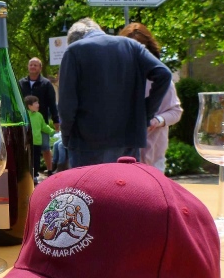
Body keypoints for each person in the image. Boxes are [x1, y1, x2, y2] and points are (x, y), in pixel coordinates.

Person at [58, 18, 172, 168]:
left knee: (91, 184)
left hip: (87, 143)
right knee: (124, 183)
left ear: (73, 39)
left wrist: (66, 137)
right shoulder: (131, 46)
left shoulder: (74, 51)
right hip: (128, 140)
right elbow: (164, 74)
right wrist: (146, 114)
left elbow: (67, 104)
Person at [119, 23, 183, 172]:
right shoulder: (117, 79)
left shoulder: (162, 80)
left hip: (152, 157)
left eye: (142, 49)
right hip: (121, 158)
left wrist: (157, 120)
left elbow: (175, 111)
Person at [19, 57, 60, 174]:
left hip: (41, 121)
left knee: (45, 147)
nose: (32, 67)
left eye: (35, 65)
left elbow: (52, 103)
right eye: (31, 64)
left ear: (40, 68)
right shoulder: (21, 83)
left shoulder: (46, 84)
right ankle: (27, 171)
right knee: (25, 148)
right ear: (28, 67)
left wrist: (56, 120)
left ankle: (50, 170)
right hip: (25, 122)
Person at [25, 95, 56, 185]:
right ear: (29, 106)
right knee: (28, 160)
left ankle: (34, 175)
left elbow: (44, 127)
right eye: (36, 103)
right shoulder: (25, 115)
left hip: (37, 142)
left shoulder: (39, 115)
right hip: (27, 143)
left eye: (38, 103)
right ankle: (28, 176)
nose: (38, 105)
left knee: (36, 161)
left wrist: (52, 131)